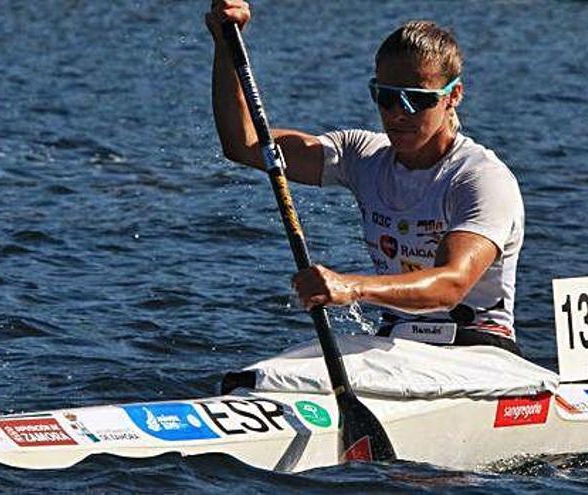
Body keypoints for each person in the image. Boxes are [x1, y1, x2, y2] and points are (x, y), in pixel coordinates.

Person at [207, 1, 525, 355]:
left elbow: (451, 284)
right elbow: (246, 145)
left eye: (414, 101)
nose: (396, 114)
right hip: (396, 345)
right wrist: (225, 44)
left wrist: (351, 286)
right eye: (385, 97)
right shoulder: (362, 155)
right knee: (256, 377)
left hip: (477, 349)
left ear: (453, 96)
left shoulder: (480, 179)